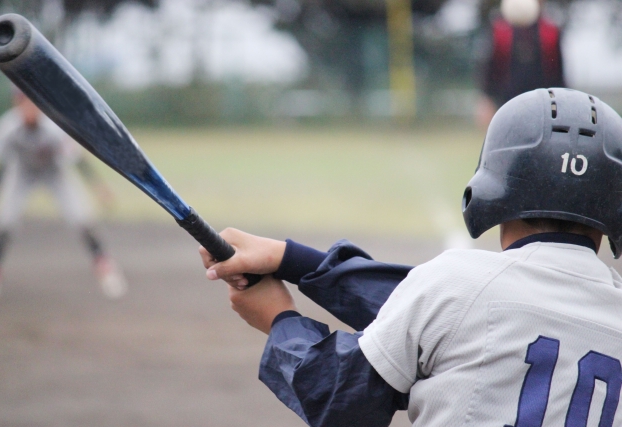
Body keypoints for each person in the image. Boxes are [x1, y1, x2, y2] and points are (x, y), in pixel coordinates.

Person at [200, 88, 622, 426]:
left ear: (496, 187)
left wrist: (279, 320)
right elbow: (431, 315)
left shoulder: (459, 283)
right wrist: (292, 260)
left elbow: (339, 402)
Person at [0, 90, 127, 302]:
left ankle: (105, 268)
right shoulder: (7, 128)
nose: (30, 109)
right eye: (25, 103)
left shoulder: (55, 127)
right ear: (16, 104)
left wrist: (98, 187)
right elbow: (2, 165)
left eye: (34, 103)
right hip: (22, 173)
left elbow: (77, 159)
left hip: (55, 173)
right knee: (5, 222)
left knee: (82, 218)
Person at [476, 0, 565, 128]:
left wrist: (560, 105)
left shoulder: (550, 32)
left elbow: (558, 75)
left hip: (542, 106)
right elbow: (490, 70)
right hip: (507, 103)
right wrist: (486, 100)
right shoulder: (500, 31)